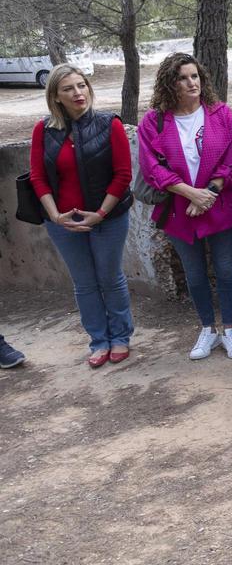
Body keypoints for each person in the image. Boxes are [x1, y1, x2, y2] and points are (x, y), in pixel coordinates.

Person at [137, 53, 232, 361]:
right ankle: (207, 329)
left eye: (195, 76)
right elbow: (152, 169)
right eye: (183, 78)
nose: (191, 83)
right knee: (194, 273)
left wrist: (208, 193)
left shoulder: (220, 113)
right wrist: (191, 194)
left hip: (220, 203)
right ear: (170, 84)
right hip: (180, 209)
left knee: (225, 269)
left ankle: (230, 329)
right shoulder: (153, 121)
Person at [29, 64, 135, 368]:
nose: (78, 93)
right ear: (56, 97)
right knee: (85, 283)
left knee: (110, 278)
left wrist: (101, 213)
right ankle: (99, 341)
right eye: (68, 89)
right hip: (63, 223)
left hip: (108, 219)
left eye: (81, 86)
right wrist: (56, 216)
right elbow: (38, 178)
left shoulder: (109, 124)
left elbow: (123, 175)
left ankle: (120, 338)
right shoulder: (43, 131)